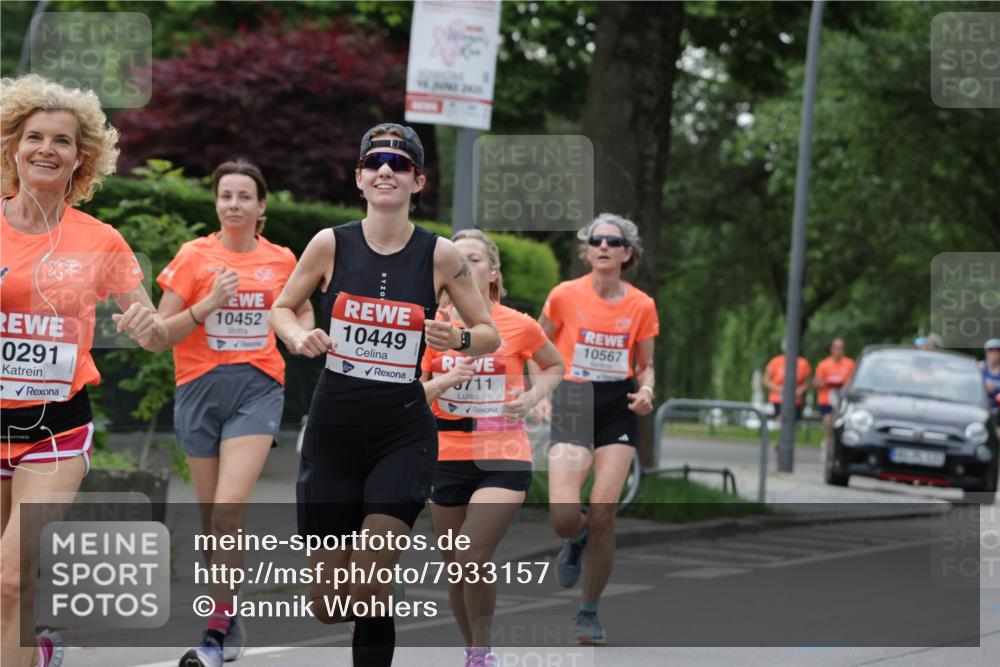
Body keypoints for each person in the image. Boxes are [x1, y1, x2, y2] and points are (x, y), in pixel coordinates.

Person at [268, 123, 500, 667]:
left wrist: (458, 337)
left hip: (402, 432)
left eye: (400, 163)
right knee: (329, 606)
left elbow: (488, 331)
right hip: (334, 433)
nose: (387, 171)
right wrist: (298, 334)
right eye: (375, 162)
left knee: (372, 582)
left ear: (418, 181)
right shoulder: (330, 243)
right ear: (360, 178)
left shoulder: (441, 255)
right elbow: (281, 307)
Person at [1, 74, 170, 667]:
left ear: (82, 158)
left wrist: (145, 326)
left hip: (55, 430)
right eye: (34, 137)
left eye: (62, 141)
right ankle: (38, 651)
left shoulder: (100, 240)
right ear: (13, 147)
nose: (46, 148)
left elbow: (148, 323)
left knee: (11, 579)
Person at [156, 161, 312, 667]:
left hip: (257, 387)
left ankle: (217, 628)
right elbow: (162, 333)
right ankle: (226, 609)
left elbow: (300, 309)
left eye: (245, 196)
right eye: (226, 196)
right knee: (211, 520)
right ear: (216, 203)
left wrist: (298, 332)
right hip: (198, 388)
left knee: (228, 507)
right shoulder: (194, 257)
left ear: (261, 206)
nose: (234, 205)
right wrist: (208, 305)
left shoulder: (282, 259)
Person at [420, 230, 564, 667]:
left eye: (476, 259)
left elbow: (554, 366)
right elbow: (413, 393)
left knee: (471, 552)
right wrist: (442, 382)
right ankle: (474, 651)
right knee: (457, 566)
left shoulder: (519, 324)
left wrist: (534, 396)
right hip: (444, 453)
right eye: (458, 259)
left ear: (493, 272)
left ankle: (483, 653)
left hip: (503, 454)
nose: (466, 266)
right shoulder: (433, 328)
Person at [537, 213, 659, 646]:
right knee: (564, 517)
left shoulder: (641, 305)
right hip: (573, 398)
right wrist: (542, 389)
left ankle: (588, 613)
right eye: (596, 240)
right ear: (587, 251)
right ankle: (575, 538)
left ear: (628, 253)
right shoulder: (564, 296)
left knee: (604, 511)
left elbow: (646, 366)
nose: (604, 246)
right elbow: (538, 347)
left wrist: (647, 391)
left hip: (617, 404)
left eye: (614, 241)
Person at [813, 338, 855, 460]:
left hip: (843, 399)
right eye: (836, 347)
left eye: (841, 347)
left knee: (842, 425)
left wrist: (843, 384)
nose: (838, 350)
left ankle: (840, 450)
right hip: (827, 399)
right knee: (828, 422)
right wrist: (830, 383)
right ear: (831, 349)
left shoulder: (850, 364)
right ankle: (827, 444)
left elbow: (853, 382)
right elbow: (816, 382)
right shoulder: (824, 364)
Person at [763, 342, 812, 421]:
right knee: (781, 420)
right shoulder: (775, 361)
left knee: (793, 421)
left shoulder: (802, 362)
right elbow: (766, 380)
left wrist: (800, 390)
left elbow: (808, 381)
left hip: (796, 399)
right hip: (777, 398)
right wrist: (778, 388)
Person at [981, 339, 1000, 429]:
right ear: (986, 352)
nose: (994, 353)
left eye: (997, 350)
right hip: (982, 407)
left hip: (997, 409)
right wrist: (984, 385)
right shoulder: (980, 367)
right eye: (991, 350)